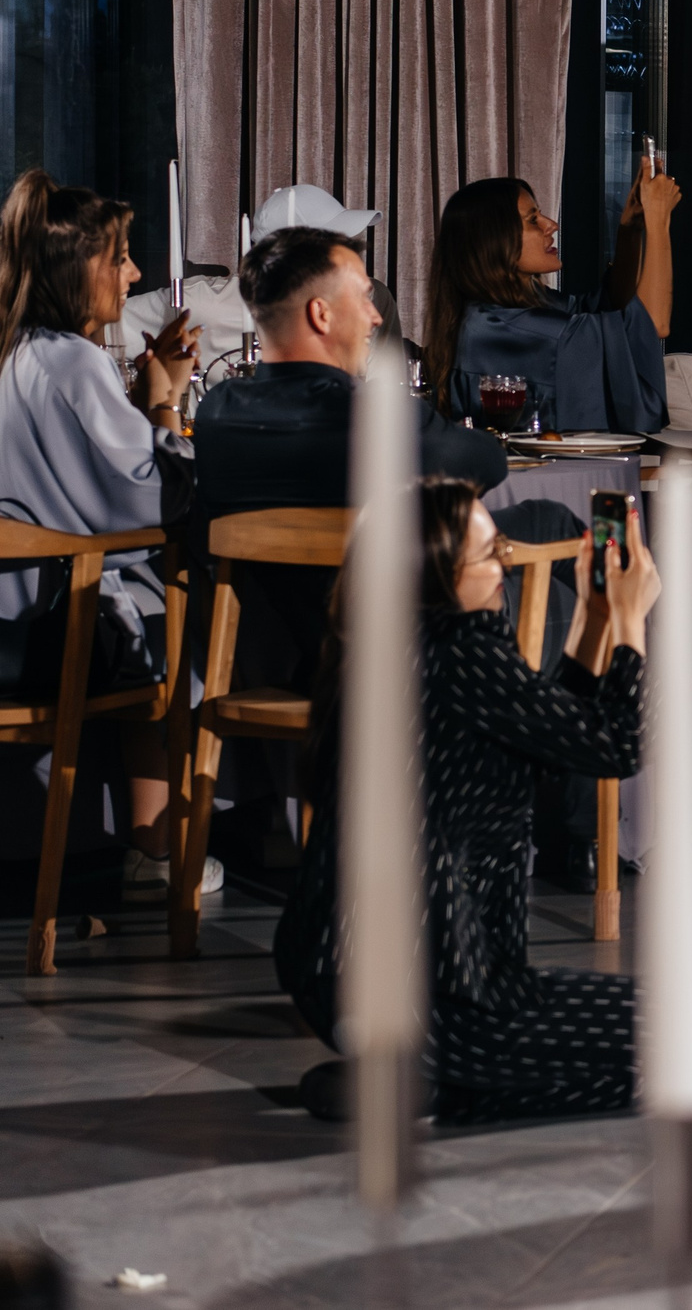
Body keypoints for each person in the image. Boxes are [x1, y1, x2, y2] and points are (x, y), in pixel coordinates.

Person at [275, 477, 657, 1125]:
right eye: (489, 554)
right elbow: (617, 745)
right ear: (438, 576)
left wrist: (592, 617)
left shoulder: (398, 645)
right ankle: (440, 1086)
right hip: (435, 989)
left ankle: (411, 1079)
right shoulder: (461, 650)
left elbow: (550, 736)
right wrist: (627, 619)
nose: (505, 561)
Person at [191, 226, 514, 695]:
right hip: (387, 664)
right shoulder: (376, 416)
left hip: (256, 663)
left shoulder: (216, 410)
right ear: (320, 314)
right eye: (364, 299)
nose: (375, 317)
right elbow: (487, 462)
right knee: (545, 530)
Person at [0, 170, 205, 901]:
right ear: (74, 268)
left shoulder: (16, 352)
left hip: (14, 618)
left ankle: (145, 839)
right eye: (118, 258)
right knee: (191, 605)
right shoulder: (71, 362)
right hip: (48, 632)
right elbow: (155, 499)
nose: (135, 273)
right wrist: (164, 406)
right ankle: (163, 840)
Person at [424, 153, 678, 435]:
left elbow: (606, 307)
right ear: (494, 239)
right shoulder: (497, 329)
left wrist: (631, 226)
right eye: (533, 220)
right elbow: (651, 322)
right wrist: (658, 221)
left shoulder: (514, 307)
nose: (551, 225)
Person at [117, 184, 403, 374]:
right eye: (332, 245)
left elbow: (387, 395)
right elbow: (98, 329)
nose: (346, 255)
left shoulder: (372, 299)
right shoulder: (203, 302)